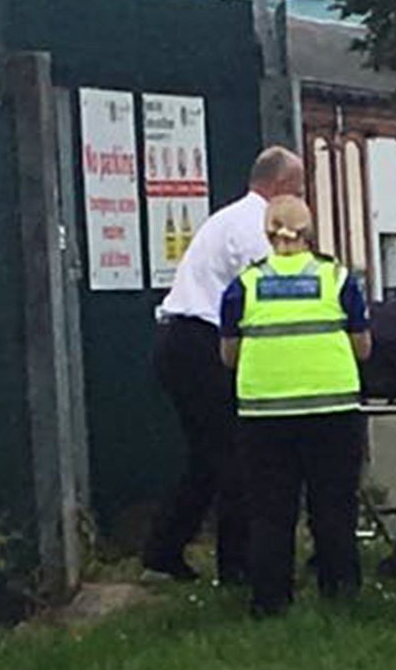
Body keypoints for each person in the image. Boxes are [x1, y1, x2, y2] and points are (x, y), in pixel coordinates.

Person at [145, 146, 307, 582]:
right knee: (238, 456)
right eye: (297, 189)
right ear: (277, 186)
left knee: (208, 456)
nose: (301, 201)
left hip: (181, 341)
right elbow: (270, 290)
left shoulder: (229, 218)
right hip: (201, 343)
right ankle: (237, 566)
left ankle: (164, 551)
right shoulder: (257, 225)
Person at [219, 196, 373, 618]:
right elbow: (362, 347)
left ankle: (270, 600)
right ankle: (339, 593)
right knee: (334, 506)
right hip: (332, 410)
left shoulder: (243, 285)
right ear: (309, 231)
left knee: (270, 512)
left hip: (264, 415)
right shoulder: (338, 280)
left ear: (268, 233)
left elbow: (228, 356)